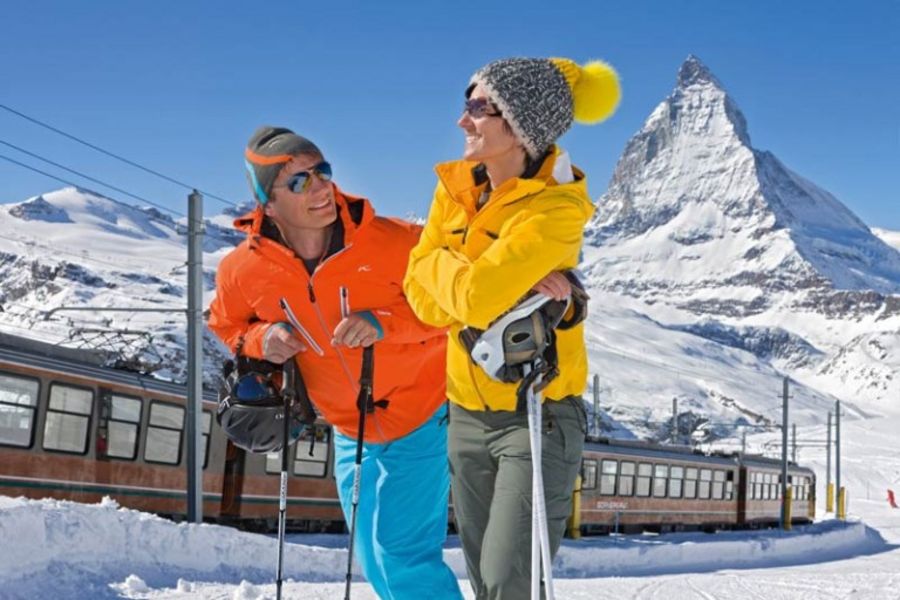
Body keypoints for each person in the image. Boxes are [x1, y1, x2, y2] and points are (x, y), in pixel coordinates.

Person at [208, 126, 462, 600]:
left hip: (421, 415)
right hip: (348, 429)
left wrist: (385, 323)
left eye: (323, 172)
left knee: (402, 553)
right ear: (268, 201)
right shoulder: (241, 270)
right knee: (372, 557)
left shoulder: (399, 243)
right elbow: (225, 325)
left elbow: (456, 309)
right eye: (300, 181)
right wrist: (263, 337)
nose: (322, 187)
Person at [403, 57, 620, 599]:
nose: (463, 121)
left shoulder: (556, 210)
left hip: (536, 418)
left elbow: (471, 300)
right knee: (486, 582)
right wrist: (470, 276)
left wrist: (441, 265)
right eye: (466, 104)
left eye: (479, 108)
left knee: (508, 579)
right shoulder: (454, 191)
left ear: (521, 123)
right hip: (465, 416)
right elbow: (418, 296)